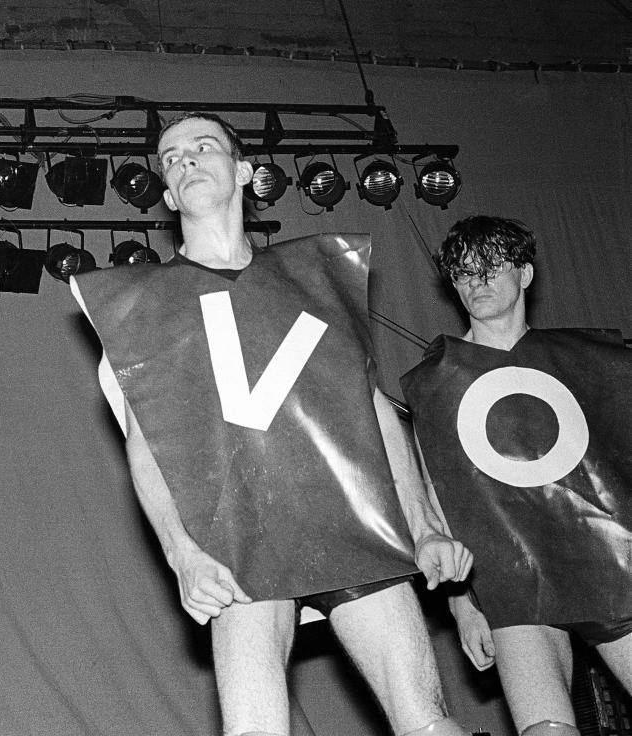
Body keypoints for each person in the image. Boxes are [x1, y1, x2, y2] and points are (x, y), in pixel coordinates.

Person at [70, 113, 473, 736]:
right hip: (236, 539)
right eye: (171, 157)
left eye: (205, 147)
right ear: (169, 195)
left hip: (349, 519)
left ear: (245, 173)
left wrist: (424, 528)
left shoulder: (319, 277)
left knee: (427, 720)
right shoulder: (137, 305)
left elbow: (371, 413)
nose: (187, 159)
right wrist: (183, 556)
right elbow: (147, 448)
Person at [402, 216, 632, 736]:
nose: (475, 283)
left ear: (525, 274)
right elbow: (438, 500)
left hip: (612, 566)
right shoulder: (435, 382)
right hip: (514, 584)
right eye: (462, 274)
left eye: (490, 268)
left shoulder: (592, 361)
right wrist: (462, 606)